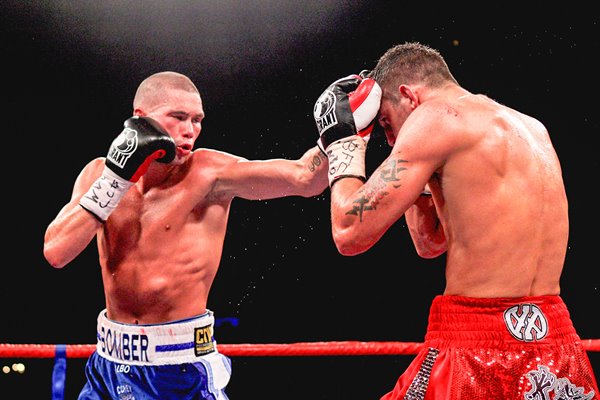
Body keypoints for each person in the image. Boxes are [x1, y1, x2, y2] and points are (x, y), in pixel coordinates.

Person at [313, 42, 599, 399]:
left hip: (476, 346)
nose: (389, 139)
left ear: (409, 97)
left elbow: (348, 233)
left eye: (386, 121)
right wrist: (417, 179)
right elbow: (430, 244)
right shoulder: (532, 128)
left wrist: (344, 143)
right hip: (557, 350)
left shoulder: (436, 119)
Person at [43, 71, 333, 399]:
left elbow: (306, 180)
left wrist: (338, 134)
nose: (190, 130)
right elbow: (56, 251)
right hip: (107, 365)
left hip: (179, 369)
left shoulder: (209, 174)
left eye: (197, 120)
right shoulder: (99, 173)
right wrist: (116, 178)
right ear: (140, 118)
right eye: (178, 117)